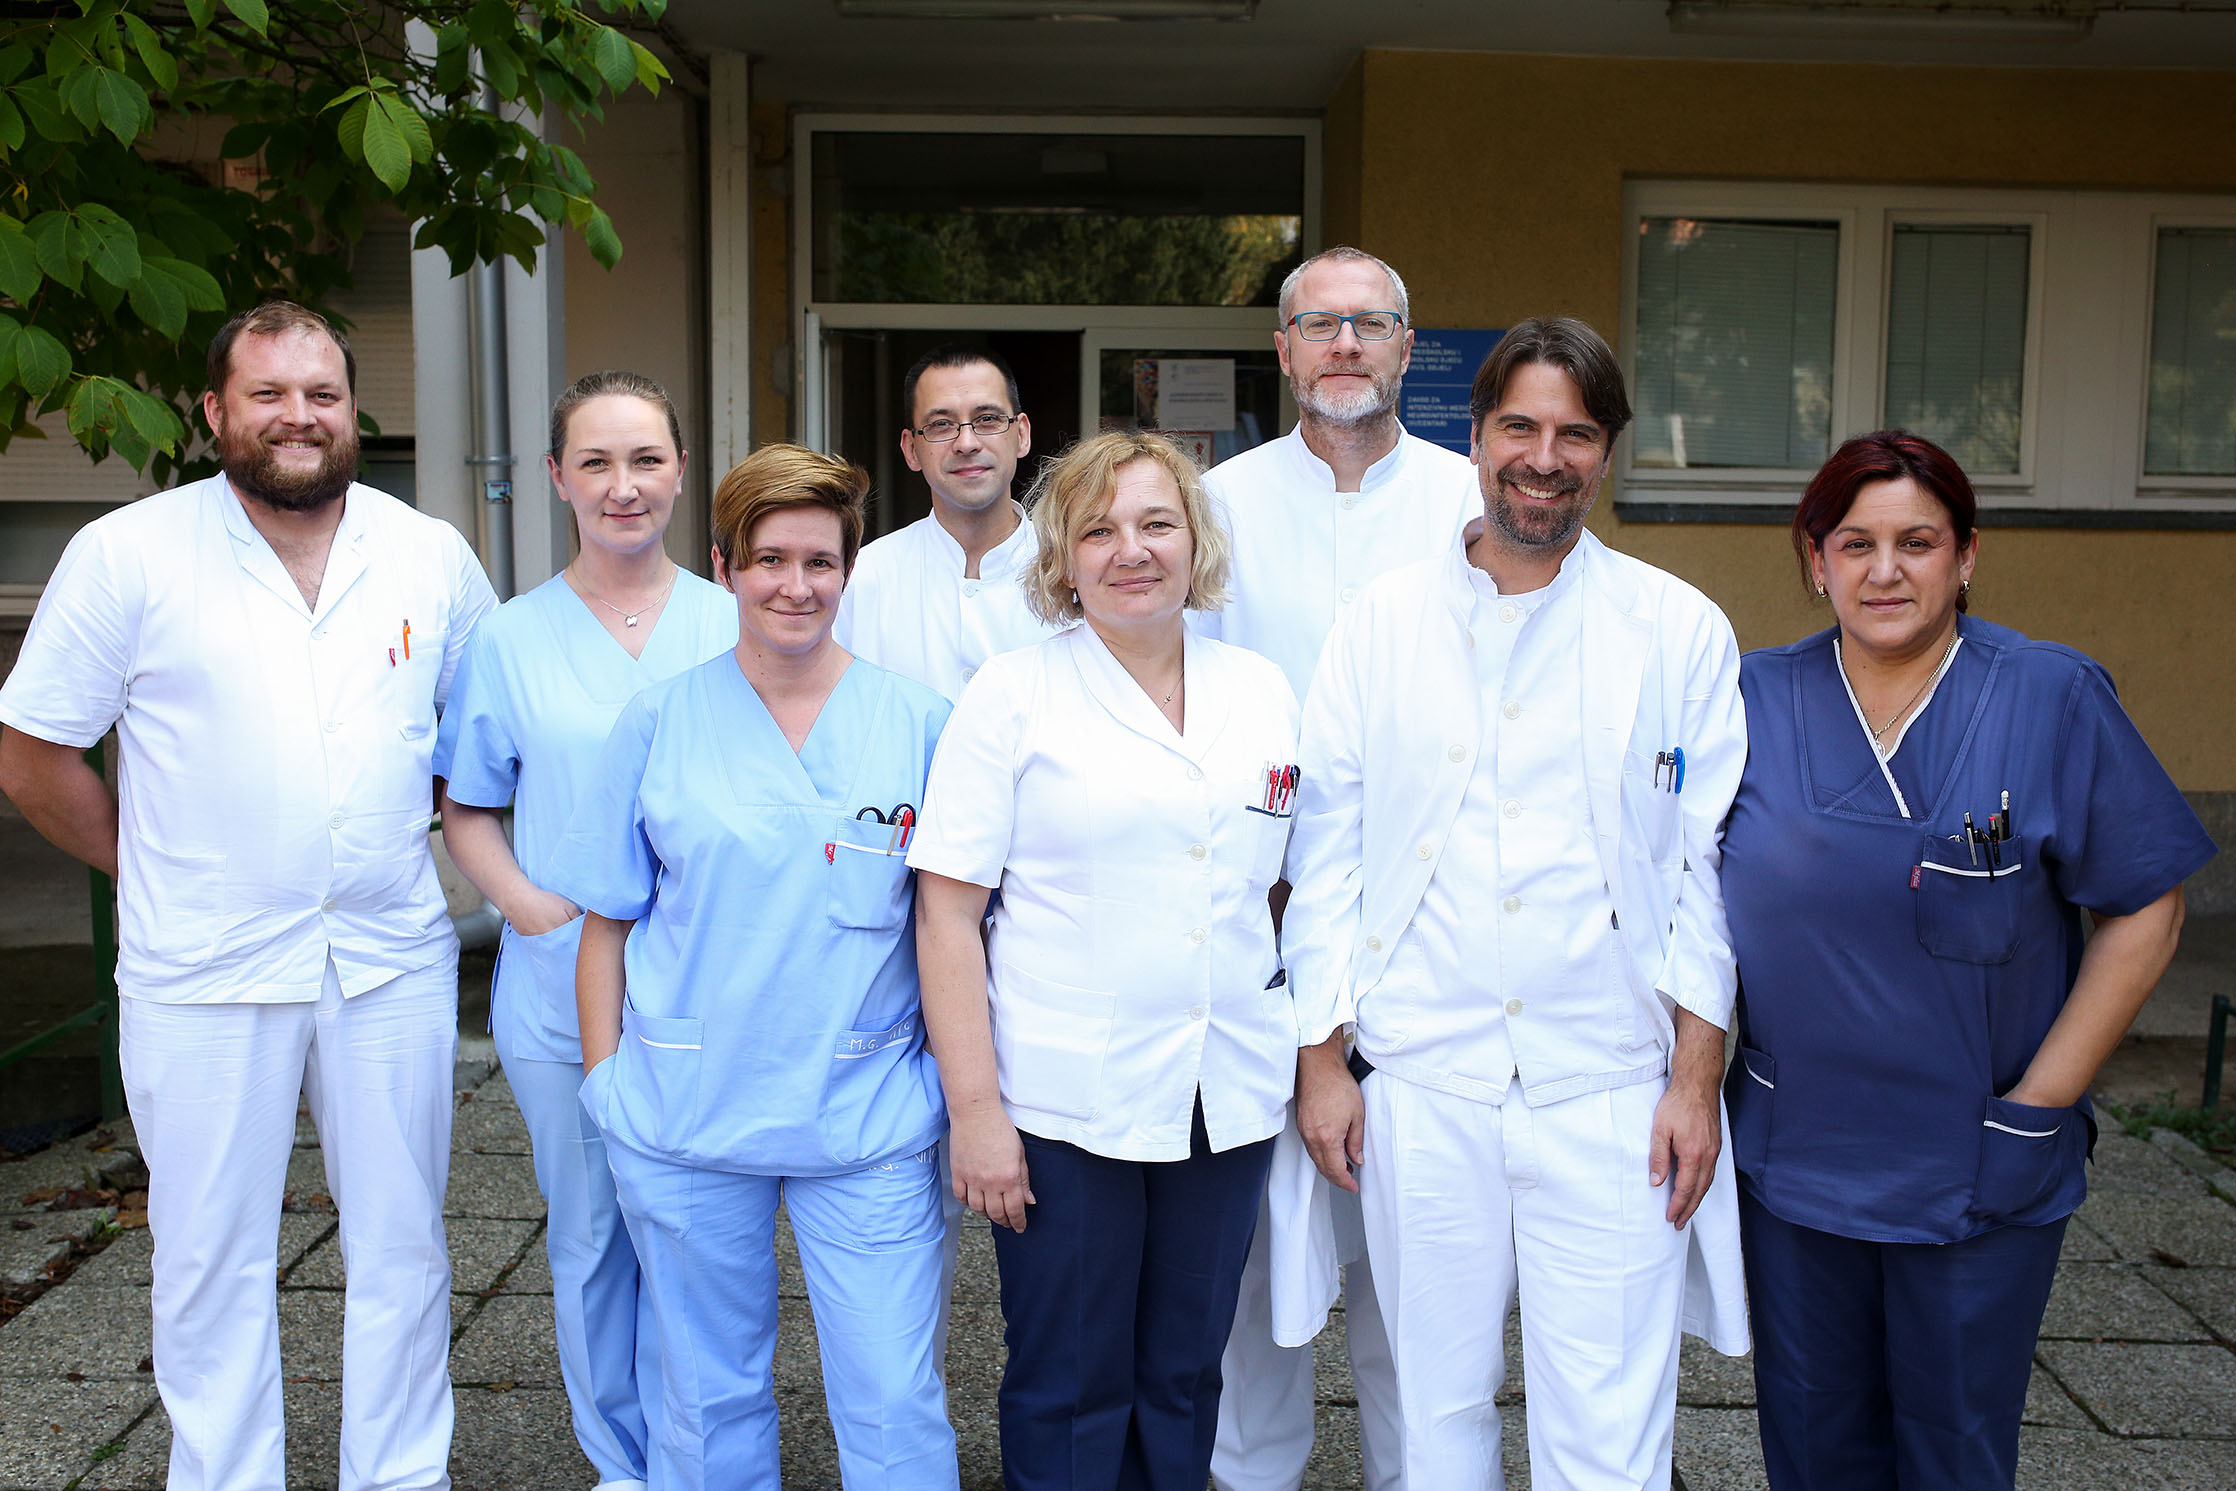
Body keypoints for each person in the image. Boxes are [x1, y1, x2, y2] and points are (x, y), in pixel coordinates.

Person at [0, 301, 497, 1489]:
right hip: (202, 966)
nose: (298, 416)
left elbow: (477, 736)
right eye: (268, 393)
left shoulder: (427, 552)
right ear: (217, 410)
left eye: (321, 393)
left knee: (404, 1245)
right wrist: (150, 867)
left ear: (354, 410)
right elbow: (32, 753)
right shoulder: (128, 554)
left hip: (385, 956)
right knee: (207, 1256)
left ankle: (400, 1476)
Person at [1282, 317, 1751, 1490]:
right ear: (1476, 435)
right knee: (1431, 1419)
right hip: (1424, 1081)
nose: (1545, 459)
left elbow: (1703, 877)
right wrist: (1321, 1060)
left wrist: (1695, 1083)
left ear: (1608, 451)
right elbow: (1326, 859)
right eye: (1520, 428)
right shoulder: (1381, 623)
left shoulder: (1676, 628)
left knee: (1609, 1434)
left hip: (1611, 1088)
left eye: (1575, 435)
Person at [1720, 431, 2213, 1491]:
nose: (1885, 571)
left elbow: (2147, 907)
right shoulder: (1746, 699)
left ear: (1966, 556)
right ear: (1815, 561)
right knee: (1811, 1445)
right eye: (1855, 543)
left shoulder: (2049, 696)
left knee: (1955, 1452)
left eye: (1917, 542)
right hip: (1797, 1158)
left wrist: (2040, 1106)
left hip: (1976, 1160)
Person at [548, 444, 957, 1491]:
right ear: (725, 567)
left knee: (894, 1396)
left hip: (866, 1113)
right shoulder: (659, 721)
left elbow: (953, 929)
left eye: (820, 561)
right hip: (688, 1108)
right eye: (770, 559)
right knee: (704, 1394)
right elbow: (606, 922)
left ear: (849, 570)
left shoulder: (920, 725)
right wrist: (606, 1083)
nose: (795, 585)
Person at [908, 431, 1299, 1491]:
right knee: (1070, 1378)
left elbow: (1279, 884)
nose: (1132, 550)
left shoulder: (1262, 689)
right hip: (1063, 1100)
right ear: (1063, 558)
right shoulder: (1012, 694)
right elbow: (946, 915)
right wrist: (976, 1114)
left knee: (1186, 1371)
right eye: (1099, 530)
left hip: (1225, 1092)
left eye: (1156, 522)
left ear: (1195, 539)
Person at [1195, 244, 1477, 1491]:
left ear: (1408, 346)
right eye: (1319, 324)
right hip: (1252, 912)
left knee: (1415, 1249)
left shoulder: (1473, 497)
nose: (1345, 345)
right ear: (1282, 350)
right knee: (1254, 1250)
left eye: (1371, 324)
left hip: (1429, 917)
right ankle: (1250, 1472)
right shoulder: (1215, 503)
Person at [434, 371, 737, 1490]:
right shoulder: (511, 639)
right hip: (560, 986)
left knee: (699, 1238)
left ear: (681, 470)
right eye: (597, 462)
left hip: (711, 987)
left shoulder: (737, 620)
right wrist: (521, 902)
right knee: (593, 1233)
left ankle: (701, 1455)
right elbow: (467, 804)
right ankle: (622, 1464)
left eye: (646, 459)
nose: (624, 486)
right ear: (557, 477)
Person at [833, 343, 1057, 700]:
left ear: (1022, 434)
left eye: (988, 419)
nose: (966, 443)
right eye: (941, 425)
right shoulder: (861, 579)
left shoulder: (1073, 572)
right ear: (911, 449)